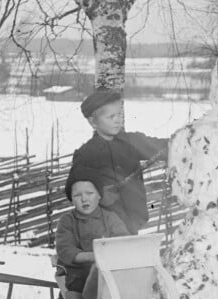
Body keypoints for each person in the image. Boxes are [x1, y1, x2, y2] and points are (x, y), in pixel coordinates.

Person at [71, 91, 168, 235]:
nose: (118, 120)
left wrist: (191, 138)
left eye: (120, 114)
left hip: (132, 221)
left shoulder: (133, 142)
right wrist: (98, 194)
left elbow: (163, 148)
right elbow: (75, 189)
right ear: (93, 122)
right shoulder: (85, 154)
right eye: (111, 116)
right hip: (101, 228)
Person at [55, 165, 130, 299]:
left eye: (89, 193)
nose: (84, 199)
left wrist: (110, 255)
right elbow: (66, 250)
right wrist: (93, 257)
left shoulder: (110, 218)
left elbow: (123, 241)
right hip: (80, 274)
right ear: (71, 199)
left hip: (110, 273)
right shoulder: (67, 221)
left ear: (99, 195)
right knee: (74, 293)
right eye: (77, 195)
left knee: (129, 286)